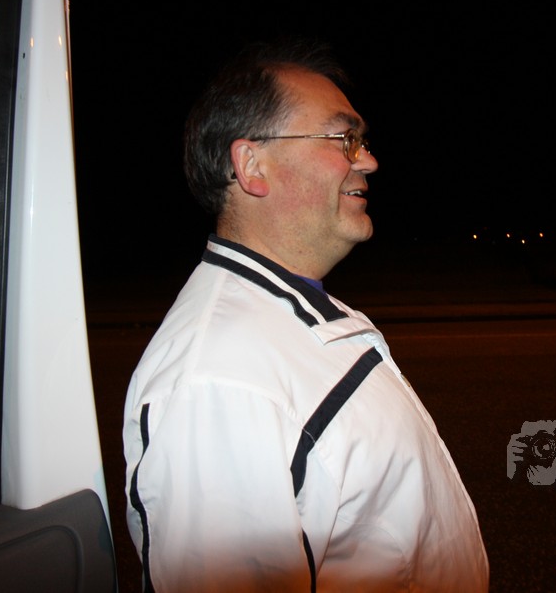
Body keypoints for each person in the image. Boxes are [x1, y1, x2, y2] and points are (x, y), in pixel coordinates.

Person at [123, 37, 489, 592]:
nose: (368, 159)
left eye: (361, 141)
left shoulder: (290, 314)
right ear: (252, 165)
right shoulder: (219, 380)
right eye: (343, 139)